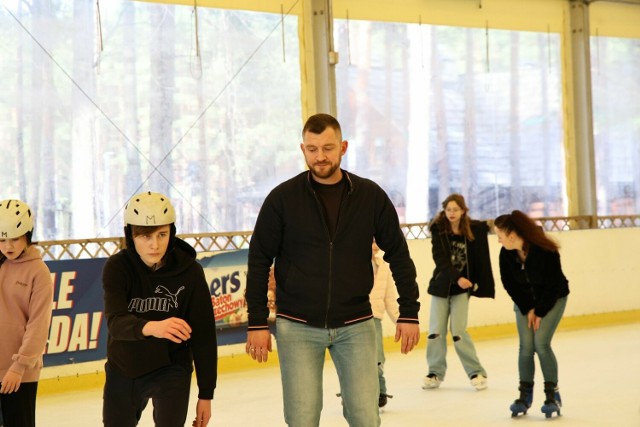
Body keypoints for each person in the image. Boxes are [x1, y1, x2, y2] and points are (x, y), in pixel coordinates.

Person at [244, 113, 421, 427]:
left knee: (366, 417)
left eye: (327, 147)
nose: (320, 156)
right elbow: (259, 261)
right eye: (312, 149)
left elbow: (399, 254)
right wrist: (257, 322)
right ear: (303, 149)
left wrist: (409, 312)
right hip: (296, 325)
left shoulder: (370, 196)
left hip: (356, 324)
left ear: (343, 147)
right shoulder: (282, 199)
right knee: (302, 418)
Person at [102, 191, 217, 427]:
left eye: (162, 234)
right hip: (124, 367)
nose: (155, 245)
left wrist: (206, 394)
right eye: (145, 236)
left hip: (171, 368)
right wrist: (154, 327)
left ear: (171, 233)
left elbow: (204, 335)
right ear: (130, 235)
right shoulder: (117, 267)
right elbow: (116, 324)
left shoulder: (191, 272)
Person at [494, 210, 569, 419]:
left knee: (541, 344)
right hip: (525, 304)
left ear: (511, 234)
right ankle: (524, 396)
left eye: (499, 235)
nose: (498, 240)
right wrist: (528, 308)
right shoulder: (507, 254)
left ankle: (552, 395)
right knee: (526, 347)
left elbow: (554, 285)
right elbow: (509, 285)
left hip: (552, 300)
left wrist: (540, 310)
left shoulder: (545, 249)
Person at [422, 194, 495, 392]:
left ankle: (476, 372)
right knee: (435, 332)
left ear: (463, 211)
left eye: (455, 209)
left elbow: (482, 251)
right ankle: (434, 372)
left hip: (461, 290)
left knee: (458, 332)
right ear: (444, 212)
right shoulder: (439, 231)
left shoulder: (472, 231)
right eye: (448, 210)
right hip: (441, 287)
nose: (452, 213)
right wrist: (458, 278)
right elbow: (441, 260)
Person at [0, 199, 53, 427]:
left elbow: (38, 324)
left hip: (18, 372)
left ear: (27, 236)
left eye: (15, 239)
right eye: (2, 240)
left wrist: (19, 366)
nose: (8, 246)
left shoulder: (38, 271)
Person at [370, 241, 400, 409]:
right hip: (353, 318)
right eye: (371, 241)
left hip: (374, 318)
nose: (375, 245)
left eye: (377, 242)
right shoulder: (350, 262)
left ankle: (381, 391)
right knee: (353, 359)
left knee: (378, 358)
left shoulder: (384, 266)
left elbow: (390, 296)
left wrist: (400, 320)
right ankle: (349, 392)